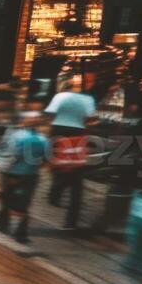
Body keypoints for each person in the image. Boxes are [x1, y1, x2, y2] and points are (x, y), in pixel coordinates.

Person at [45, 78, 98, 232]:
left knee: (57, 165)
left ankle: (55, 191)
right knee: (76, 175)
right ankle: (71, 221)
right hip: (77, 133)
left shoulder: (60, 96)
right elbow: (90, 118)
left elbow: (50, 114)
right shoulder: (88, 99)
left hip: (57, 131)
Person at [0, 112, 49, 243]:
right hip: (31, 176)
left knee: (6, 199)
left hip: (12, 174)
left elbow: (11, 157)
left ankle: (2, 222)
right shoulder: (43, 139)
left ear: (23, 122)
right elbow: (46, 160)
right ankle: (21, 233)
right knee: (24, 204)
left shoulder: (16, 136)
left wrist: (2, 171)